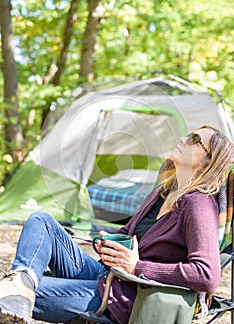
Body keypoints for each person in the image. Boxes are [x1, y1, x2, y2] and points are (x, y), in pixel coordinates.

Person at [0, 125, 233, 324]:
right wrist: (108, 241)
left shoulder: (198, 203)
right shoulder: (163, 192)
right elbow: (128, 233)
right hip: (108, 274)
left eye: (194, 140)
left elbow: (207, 274)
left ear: (208, 161)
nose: (183, 139)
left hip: (122, 296)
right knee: (42, 221)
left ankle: (16, 290)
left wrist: (138, 267)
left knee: (7, 295)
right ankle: (21, 280)